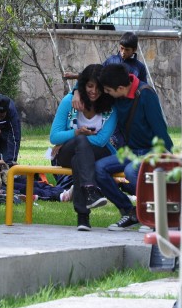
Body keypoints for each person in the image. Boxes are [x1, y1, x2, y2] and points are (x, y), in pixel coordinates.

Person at [94, 64, 173, 230]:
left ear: (121, 88)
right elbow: (92, 82)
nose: (106, 93)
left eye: (108, 90)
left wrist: (168, 156)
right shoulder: (116, 94)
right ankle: (130, 212)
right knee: (99, 168)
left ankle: (153, 214)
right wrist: (77, 93)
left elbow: (159, 128)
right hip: (131, 151)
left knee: (131, 170)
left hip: (152, 151)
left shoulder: (146, 94)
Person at [50, 64, 118, 231]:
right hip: (67, 151)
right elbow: (54, 136)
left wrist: (80, 137)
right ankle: (90, 190)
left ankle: (83, 217)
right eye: (89, 86)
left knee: (79, 157)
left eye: (98, 87)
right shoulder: (70, 102)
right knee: (80, 142)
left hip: (97, 152)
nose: (94, 91)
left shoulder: (111, 108)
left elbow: (102, 141)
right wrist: (77, 133)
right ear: (83, 86)